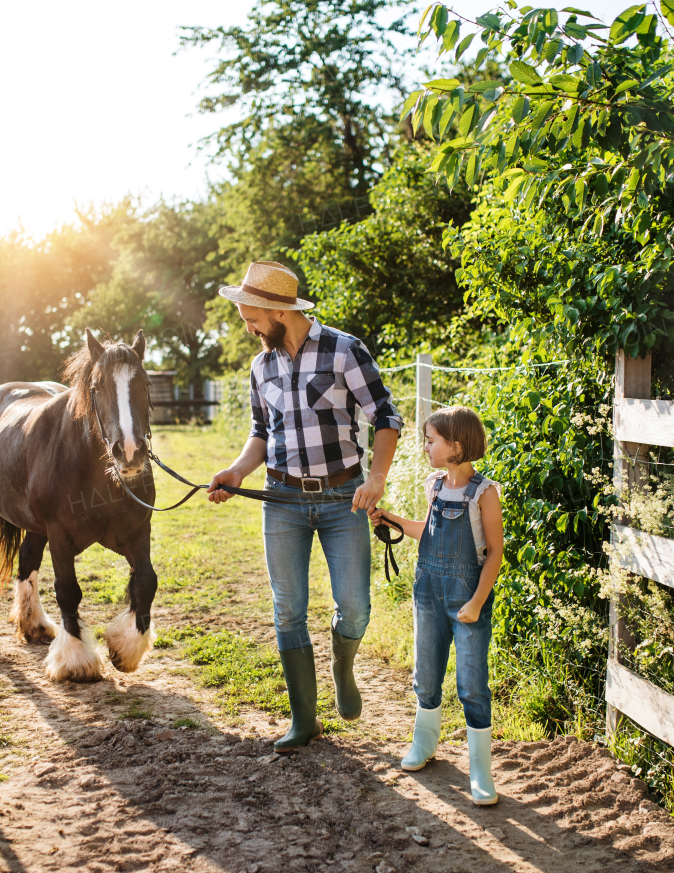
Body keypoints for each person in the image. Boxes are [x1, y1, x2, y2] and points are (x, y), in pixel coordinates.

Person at [208, 261, 403, 752]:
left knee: (355, 607)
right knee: (288, 609)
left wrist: (377, 476)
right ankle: (304, 721)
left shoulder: (344, 350)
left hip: (344, 498)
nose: (247, 327)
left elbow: (385, 415)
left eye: (251, 317)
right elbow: (260, 433)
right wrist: (236, 473)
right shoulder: (261, 366)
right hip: (281, 499)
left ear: (277, 311)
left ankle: (343, 666)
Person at [368, 405, 504, 805]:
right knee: (425, 675)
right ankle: (424, 743)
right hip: (428, 592)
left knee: (471, 684)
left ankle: (479, 769)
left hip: (468, 599)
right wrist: (390, 519)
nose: (425, 447)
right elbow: (426, 531)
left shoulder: (484, 493)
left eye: (431, 441)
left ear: (456, 447)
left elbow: (494, 553)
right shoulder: (434, 485)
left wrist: (478, 602)